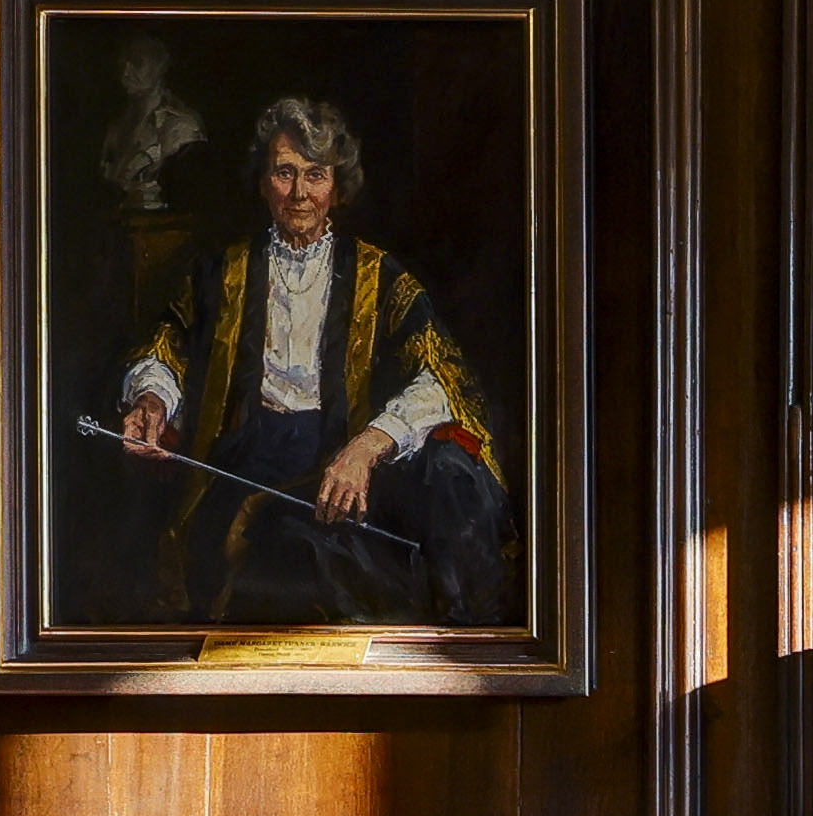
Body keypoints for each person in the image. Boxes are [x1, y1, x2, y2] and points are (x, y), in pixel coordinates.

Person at [109, 97, 516, 622]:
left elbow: (438, 378)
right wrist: (151, 398)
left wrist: (368, 446)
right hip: (252, 453)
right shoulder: (220, 274)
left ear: (337, 187)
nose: (299, 192)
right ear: (263, 183)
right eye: (284, 172)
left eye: (315, 175)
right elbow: (170, 346)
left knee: (449, 481)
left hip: (346, 444)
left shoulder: (381, 278)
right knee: (285, 557)